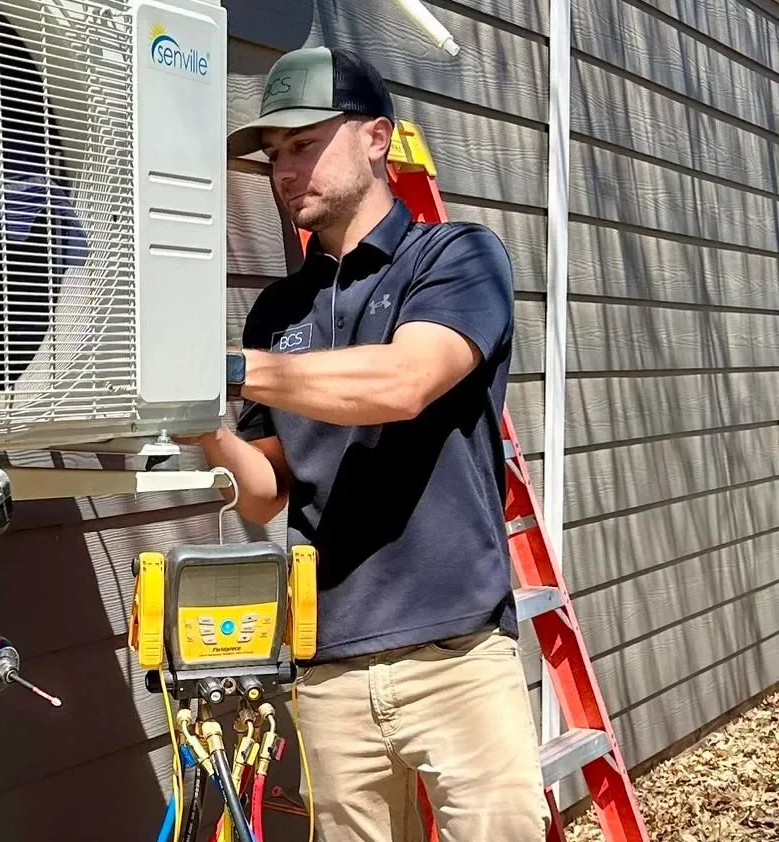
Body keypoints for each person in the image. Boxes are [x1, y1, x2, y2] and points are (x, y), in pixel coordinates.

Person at [183, 46, 552, 841]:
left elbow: (402, 383)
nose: (285, 170)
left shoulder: (455, 257)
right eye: (274, 155)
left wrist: (235, 372)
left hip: (456, 654)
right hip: (331, 669)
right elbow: (265, 493)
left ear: (377, 137)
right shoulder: (277, 310)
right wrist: (201, 422)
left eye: (305, 143)